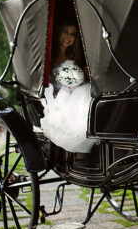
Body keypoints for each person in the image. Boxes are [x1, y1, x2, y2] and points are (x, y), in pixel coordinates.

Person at [40, 23, 98, 153]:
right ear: (58, 33)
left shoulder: (74, 55)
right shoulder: (49, 56)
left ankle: (88, 130)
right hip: (57, 92)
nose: (68, 37)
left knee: (88, 91)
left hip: (75, 89)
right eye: (65, 32)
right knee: (81, 94)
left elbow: (83, 77)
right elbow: (46, 79)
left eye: (72, 34)